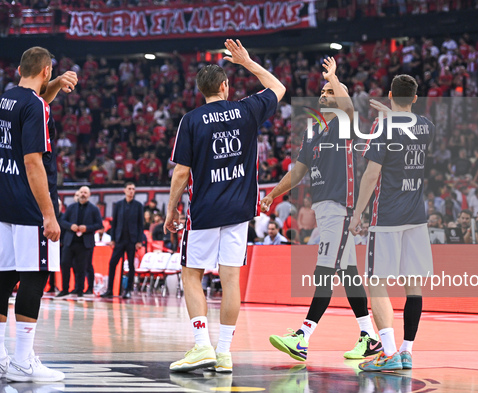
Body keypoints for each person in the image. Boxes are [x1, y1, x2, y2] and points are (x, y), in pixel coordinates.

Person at [165, 39, 285, 374]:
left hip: (204, 210)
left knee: (191, 274)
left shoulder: (191, 120)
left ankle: (201, 346)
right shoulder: (247, 110)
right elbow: (278, 86)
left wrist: (171, 210)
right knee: (231, 279)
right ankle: (224, 353)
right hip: (239, 211)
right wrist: (246, 61)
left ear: (202, 90)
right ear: (224, 86)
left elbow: (181, 173)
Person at [264, 57, 382, 364]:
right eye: (323, 91)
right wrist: (272, 194)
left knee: (325, 271)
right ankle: (369, 338)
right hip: (323, 207)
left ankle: (303, 337)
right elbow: (298, 171)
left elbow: (350, 109)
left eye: (329, 92)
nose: (323, 95)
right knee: (348, 273)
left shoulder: (343, 124)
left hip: (340, 207)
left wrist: (335, 78)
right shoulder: (313, 129)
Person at [0, 46, 77, 382]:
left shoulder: (6, 97)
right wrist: (49, 214)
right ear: (45, 70)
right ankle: (21, 361)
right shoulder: (36, 107)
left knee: (3, 278)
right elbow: (33, 161)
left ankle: (3, 357)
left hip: (4, 203)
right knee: (35, 278)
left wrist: (57, 83)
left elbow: (36, 101)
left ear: (21, 69)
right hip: (30, 205)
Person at [349, 74, 435, 372]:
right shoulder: (427, 125)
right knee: (414, 287)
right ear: (414, 97)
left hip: (386, 215)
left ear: (388, 95)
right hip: (417, 217)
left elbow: (372, 174)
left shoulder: (383, 126)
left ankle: (387, 353)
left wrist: (357, 212)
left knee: (376, 283)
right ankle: (406, 352)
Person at [100, 182, 144, 299]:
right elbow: (114, 224)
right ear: (124, 190)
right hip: (119, 239)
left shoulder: (138, 205)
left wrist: (139, 241)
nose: (131, 191)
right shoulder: (118, 205)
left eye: (133, 189)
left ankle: (128, 290)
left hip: (132, 240)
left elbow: (141, 225)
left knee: (130, 265)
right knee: (112, 263)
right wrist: (113, 239)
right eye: (129, 188)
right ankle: (110, 289)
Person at [58, 186, 103, 297]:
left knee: (81, 267)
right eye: (81, 192)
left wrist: (87, 228)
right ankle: (64, 289)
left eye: (85, 192)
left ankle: (79, 290)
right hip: (70, 241)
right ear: (78, 193)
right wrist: (70, 226)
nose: (83, 194)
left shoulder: (94, 209)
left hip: (85, 242)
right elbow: (62, 221)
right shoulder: (71, 207)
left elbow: (99, 224)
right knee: (64, 264)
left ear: (89, 195)